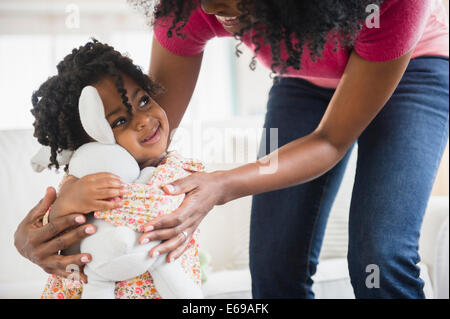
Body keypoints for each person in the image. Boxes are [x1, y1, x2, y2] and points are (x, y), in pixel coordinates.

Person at [15, 0, 449, 298]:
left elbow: (330, 140)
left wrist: (220, 185)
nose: (206, 9)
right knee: (275, 267)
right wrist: (54, 213)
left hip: (414, 70)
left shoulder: (392, 5)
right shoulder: (192, 6)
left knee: (380, 257)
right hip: (305, 81)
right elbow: (138, 145)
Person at [28, 40, 203, 298]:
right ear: (90, 140)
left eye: (144, 101)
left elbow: (157, 208)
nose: (143, 121)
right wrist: (65, 205)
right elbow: (50, 238)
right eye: (120, 120)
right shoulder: (80, 182)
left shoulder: (177, 169)